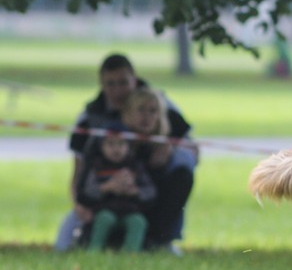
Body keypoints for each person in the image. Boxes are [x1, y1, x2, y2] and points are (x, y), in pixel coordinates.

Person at [54, 53, 198, 254]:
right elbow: (80, 167)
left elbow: (192, 146)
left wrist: (168, 148)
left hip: (147, 188)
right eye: (110, 84)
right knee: (77, 221)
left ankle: (162, 239)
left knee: (182, 164)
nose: (117, 91)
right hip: (105, 189)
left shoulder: (158, 102)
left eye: (123, 82)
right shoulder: (91, 117)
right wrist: (80, 201)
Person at [121, 87, 195, 252]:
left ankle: (160, 240)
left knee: (182, 174)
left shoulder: (164, 148)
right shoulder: (117, 143)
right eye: (141, 110)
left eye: (153, 111)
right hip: (122, 209)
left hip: (154, 209)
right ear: (128, 113)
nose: (146, 116)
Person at [76, 125, 156, 252]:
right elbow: (85, 193)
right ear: (101, 146)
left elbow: (150, 192)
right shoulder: (97, 166)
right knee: (105, 219)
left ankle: (131, 253)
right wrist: (107, 188)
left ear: (128, 147)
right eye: (110, 144)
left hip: (130, 210)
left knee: (138, 222)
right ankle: (93, 250)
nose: (116, 149)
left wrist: (135, 192)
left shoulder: (135, 167)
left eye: (121, 144)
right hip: (104, 209)